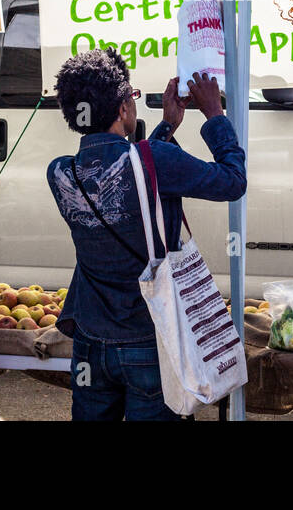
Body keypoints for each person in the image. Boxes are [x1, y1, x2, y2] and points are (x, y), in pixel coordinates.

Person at [47, 49, 246, 421]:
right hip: (151, 341)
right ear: (123, 110)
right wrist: (215, 115)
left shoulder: (60, 174)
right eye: (132, 98)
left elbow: (126, 175)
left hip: (91, 343)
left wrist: (168, 125)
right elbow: (233, 182)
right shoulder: (154, 159)